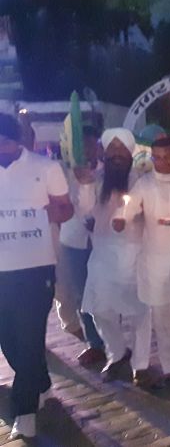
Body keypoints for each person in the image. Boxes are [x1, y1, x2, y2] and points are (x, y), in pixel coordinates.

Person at [0, 114, 73, 439]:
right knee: (10, 341)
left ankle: (24, 411)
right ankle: (41, 383)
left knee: (29, 338)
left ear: (16, 140)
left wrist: (50, 213)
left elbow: (66, 208)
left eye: (4, 141)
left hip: (35, 267)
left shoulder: (46, 168)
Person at [111, 137, 170, 388]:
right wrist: (120, 219)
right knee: (163, 317)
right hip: (157, 259)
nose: (161, 162)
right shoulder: (145, 183)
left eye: (167, 156)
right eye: (156, 157)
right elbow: (129, 208)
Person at [81, 129, 151, 385]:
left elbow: (149, 210)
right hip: (102, 254)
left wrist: (129, 216)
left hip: (136, 252)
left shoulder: (142, 179)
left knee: (139, 313)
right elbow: (86, 210)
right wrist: (85, 184)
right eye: (113, 148)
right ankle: (117, 352)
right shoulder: (96, 178)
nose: (118, 154)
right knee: (100, 310)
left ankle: (140, 365)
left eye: (123, 149)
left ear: (131, 152)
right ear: (105, 152)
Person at [54, 126, 106, 367]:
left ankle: (114, 342)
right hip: (74, 240)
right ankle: (95, 343)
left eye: (91, 144)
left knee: (105, 292)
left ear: (99, 146)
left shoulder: (109, 173)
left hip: (104, 241)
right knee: (81, 292)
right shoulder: (64, 173)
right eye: (81, 145)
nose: (86, 150)